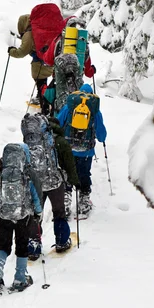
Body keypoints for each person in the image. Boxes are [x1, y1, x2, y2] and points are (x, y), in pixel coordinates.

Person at [0, 143, 43, 298]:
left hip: (3, 215)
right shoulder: (26, 173)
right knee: (22, 247)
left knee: (3, 245)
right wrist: (38, 212)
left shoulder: (0, 172)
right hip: (23, 216)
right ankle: (20, 279)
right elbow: (35, 197)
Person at [21, 113, 79, 260]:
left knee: (35, 213)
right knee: (59, 211)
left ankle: (33, 246)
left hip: (36, 183)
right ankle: (62, 241)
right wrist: (74, 180)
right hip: (54, 181)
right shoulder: (57, 141)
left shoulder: (30, 141)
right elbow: (68, 163)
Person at [56, 83, 107, 217]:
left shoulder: (69, 107)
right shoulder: (95, 111)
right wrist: (101, 138)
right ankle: (84, 200)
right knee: (84, 173)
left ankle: (65, 199)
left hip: (68, 149)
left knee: (67, 172)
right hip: (86, 151)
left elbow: (58, 122)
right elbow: (102, 134)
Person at [8, 14, 53, 111]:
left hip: (39, 63)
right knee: (43, 81)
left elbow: (22, 52)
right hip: (49, 61)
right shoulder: (41, 30)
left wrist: (11, 51)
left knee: (40, 83)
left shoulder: (29, 34)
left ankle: (44, 105)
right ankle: (42, 98)